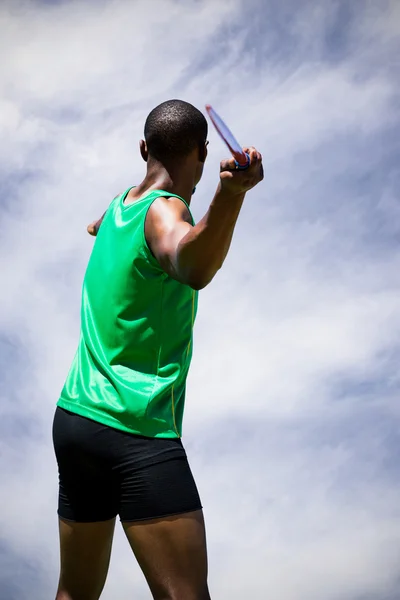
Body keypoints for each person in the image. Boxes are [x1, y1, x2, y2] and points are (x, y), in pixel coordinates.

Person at [52, 99, 263, 600]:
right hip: (135, 426)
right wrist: (230, 194)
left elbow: (101, 224)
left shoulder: (121, 205)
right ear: (203, 153)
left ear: (143, 148)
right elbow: (190, 265)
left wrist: (101, 226)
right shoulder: (168, 211)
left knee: (75, 593)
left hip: (76, 418)